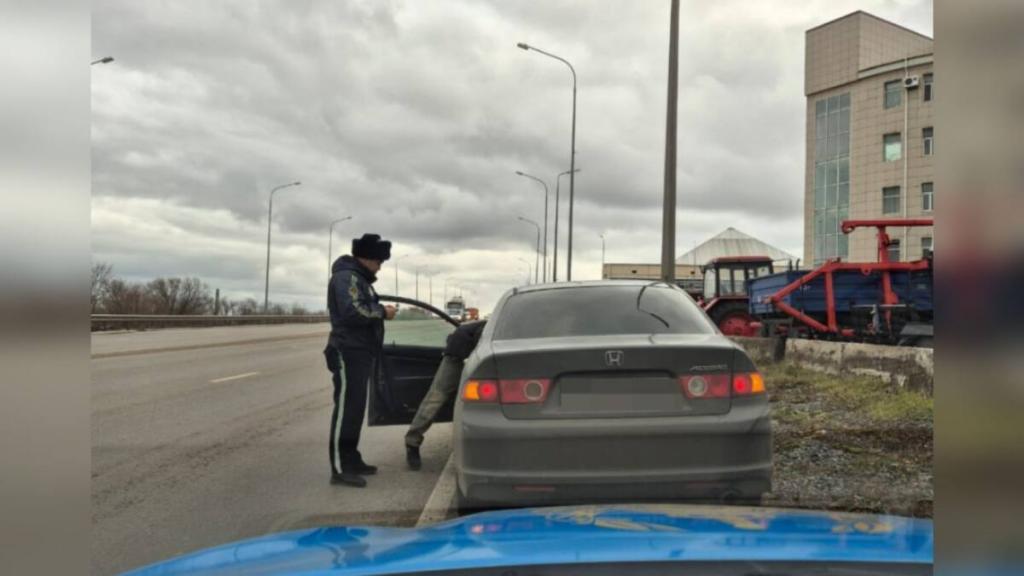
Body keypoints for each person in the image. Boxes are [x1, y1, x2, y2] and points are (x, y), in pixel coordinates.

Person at [324, 233, 397, 487]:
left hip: (359, 351)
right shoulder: (347, 278)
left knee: (354, 410)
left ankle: (351, 459)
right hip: (347, 351)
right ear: (367, 258)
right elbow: (352, 311)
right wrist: (382, 312)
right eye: (378, 261)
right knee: (345, 410)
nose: (380, 266)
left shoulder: (359, 279)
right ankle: (339, 468)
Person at [404, 319, 487, 470]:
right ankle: (412, 442)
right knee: (436, 397)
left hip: (473, 352)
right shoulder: (495, 324)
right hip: (458, 355)